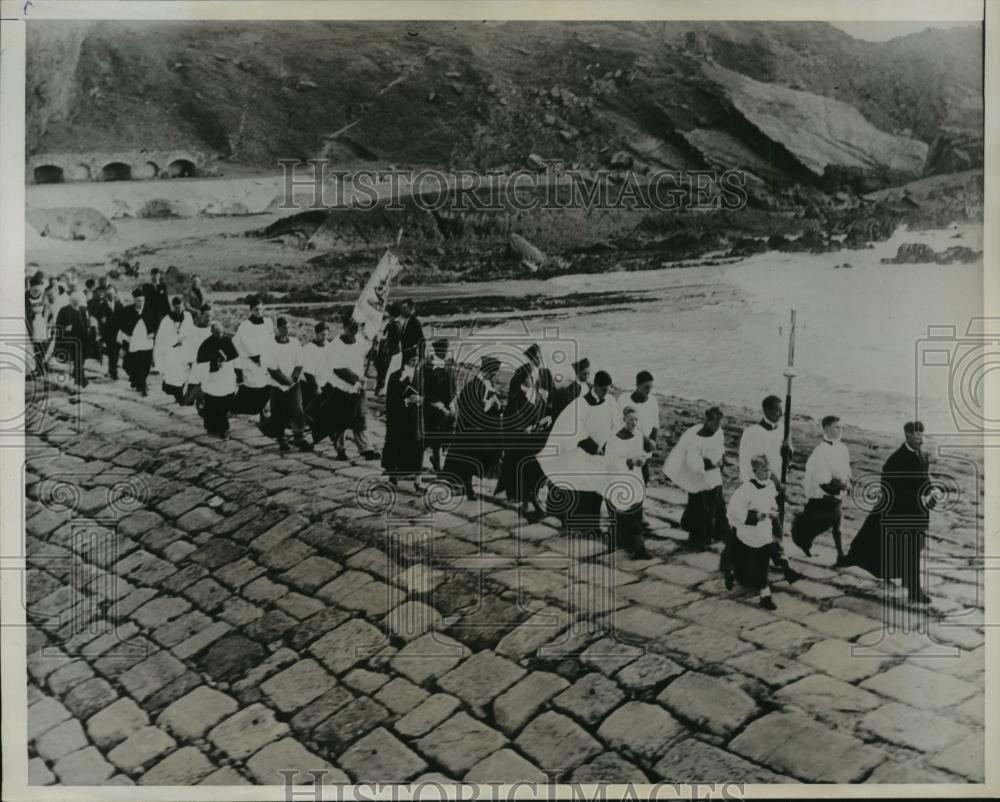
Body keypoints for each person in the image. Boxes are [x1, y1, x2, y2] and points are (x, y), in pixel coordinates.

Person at [840, 421, 939, 604]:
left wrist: (932, 491)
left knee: (913, 550)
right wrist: (920, 499)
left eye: (922, 435)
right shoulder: (895, 461)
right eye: (917, 435)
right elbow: (892, 491)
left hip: (918, 514)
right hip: (899, 514)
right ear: (907, 435)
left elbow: (924, 480)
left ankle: (912, 589)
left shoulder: (923, 456)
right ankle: (914, 592)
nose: (921, 438)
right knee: (908, 551)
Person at [540, 369, 619, 535]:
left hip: (601, 452)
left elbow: (615, 424)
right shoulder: (580, 405)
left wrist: (608, 446)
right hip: (583, 451)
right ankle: (572, 525)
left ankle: (593, 526)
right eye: (604, 389)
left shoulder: (610, 401)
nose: (606, 393)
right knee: (579, 488)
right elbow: (575, 429)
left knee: (596, 488)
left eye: (608, 389)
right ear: (595, 386)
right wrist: (593, 447)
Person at [738, 394, 801, 582]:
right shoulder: (753, 433)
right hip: (762, 486)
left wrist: (787, 451)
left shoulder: (783, 428)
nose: (781, 413)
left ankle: (778, 559)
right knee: (765, 524)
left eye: (782, 409)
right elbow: (757, 463)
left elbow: (788, 456)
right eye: (776, 410)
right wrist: (775, 483)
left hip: (778, 485)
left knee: (776, 522)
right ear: (766, 410)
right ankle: (781, 563)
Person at [664, 406, 728, 550]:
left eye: (720, 422)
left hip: (714, 475)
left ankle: (720, 532)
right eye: (716, 422)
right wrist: (710, 463)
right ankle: (699, 538)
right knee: (701, 506)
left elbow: (721, 448)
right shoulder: (695, 437)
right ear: (708, 420)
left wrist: (722, 460)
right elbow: (692, 461)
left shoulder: (718, 432)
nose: (718, 426)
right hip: (699, 476)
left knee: (718, 504)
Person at [498, 352, 552, 521]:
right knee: (525, 471)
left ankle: (530, 504)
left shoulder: (535, 394)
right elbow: (512, 418)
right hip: (519, 441)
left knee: (533, 471)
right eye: (530, 377)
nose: (533, 380)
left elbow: (544, 410)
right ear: (524, 380)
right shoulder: (518, 397)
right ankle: (529, 505)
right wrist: (526, 428)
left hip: (533, 439)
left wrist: (547, 418)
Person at [726, 454, 784, 609]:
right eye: (764, 470)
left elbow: (773, 508)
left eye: (769, 469)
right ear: (755, 471)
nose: (768, 473)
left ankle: (765, 596)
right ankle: (731, 573)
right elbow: (734, 510)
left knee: (762, 564)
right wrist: (755, 516)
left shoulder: (771, 486)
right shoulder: (746, 489)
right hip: (747, 534)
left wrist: (777, 529)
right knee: (743, 561)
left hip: (764, 534)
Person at [442, 356, 505, 500]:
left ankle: (468, 487)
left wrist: (498, 407)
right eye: (494, 372)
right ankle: (467, 488)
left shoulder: (485, 384)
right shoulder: (474, 386)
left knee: (472, 460)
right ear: (488, 372)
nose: (495, 375)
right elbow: (473, 409)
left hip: (477, 430)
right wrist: (489, 408)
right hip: (472, 431)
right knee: (470, 459)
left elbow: (490, 405)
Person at [792, 415, 853, 563]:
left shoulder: (842, 448)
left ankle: (840, 555)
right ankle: (807, 543)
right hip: (823, 495)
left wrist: (848, 482)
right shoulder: (820, 451)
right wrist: (838, 486)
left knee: (837, 523)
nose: (840, 430)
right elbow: (822, 477)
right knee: (818, 524)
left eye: (841, 427)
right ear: (826, 429)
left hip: (837, 492)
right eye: (836, 427)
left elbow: (846, 468)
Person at [326, 315, 379, 460]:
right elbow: (338, 368)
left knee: (360, 418)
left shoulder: (360, 340)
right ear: (344, 327)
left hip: (358, 387)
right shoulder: (336, 344)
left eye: (357, 327)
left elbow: (368, 353)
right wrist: (356, 378)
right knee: (340, 420)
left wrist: (375, 344)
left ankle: (366, 449)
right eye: (352, 327)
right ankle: (340, 449)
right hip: (342, 387)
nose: (355, 330)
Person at [605, 405, 652, 559]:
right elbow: (611, 460)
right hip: (621, 478)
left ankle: (629, 544)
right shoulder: (615, 438)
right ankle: (636, 547)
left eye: (636, 420)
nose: (633, 423)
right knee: (625, 513)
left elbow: (642, 451)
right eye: (631, 419)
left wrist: (642, 458)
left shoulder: (638, 435)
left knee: (635, 511)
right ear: (624, 419)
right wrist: (630, 461)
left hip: (635, 477)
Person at [262, 316, 312, 452]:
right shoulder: (270, 345)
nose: (287, 330)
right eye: (284, 327)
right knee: (278, 412)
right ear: (277, 329)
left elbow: (299, 362)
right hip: (277, 384)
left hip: (293, 384)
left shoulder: (295, 343)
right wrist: (284, 381)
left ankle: (299, 437)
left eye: (289, 327)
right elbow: (271, 367)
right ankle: (281, 440)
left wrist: (293, 379)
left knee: (297, 409)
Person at [382, 347, 426, 489]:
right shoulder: (395, 377)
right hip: (399, 419)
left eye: (417, 360)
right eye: (413, 360)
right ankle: (393, 477)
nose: (415, 362)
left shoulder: (419, 375)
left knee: (418, 447)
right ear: (406, 360)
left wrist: (419, 399)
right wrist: (407, 401)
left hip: (415, 418)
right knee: (396, 446)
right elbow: (391, 399)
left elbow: (424, 393)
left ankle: (418, 481)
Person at [232, 295, 274, 422]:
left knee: (268, 386)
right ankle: (236, 408)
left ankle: (264, 414)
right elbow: (243, 343)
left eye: (261, 309)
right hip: (252, 361)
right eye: (256, 309)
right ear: (250, 310)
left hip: (265, 360)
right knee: (254, 388)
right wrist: (256, 357)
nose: (259, 312)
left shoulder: (268, 322)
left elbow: (271, 340)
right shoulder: (245, 326)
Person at [194, 321, 239, 438]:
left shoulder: (227, 341)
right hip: (212, 379)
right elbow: (201, 363)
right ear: (212, 332)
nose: (219, 335)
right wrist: (213, 365)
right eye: (217, 333)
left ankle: (224, 428)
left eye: (221, 332)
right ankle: (212, 426)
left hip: (226, 377)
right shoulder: (206, 344)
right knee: (212, 403)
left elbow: (234, 358)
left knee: (224, 403)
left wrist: (238, 374)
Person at [422, 338, 456, 472]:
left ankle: (436, 460)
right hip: (433, 407)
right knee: (435, 439)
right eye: (444, 350)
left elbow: (453, 386)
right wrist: (440, 407)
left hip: (447, 405)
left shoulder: (448, 364)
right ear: (437, 350)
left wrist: (452, 404)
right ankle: (437, 466)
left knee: (447, 436)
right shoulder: (428, 367)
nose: (446, 353)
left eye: (447, 350)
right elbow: (427, 391)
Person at [118, 288, 158, 396]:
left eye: (142, 301)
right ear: (134, 301)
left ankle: (142, 384)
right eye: (138, 301)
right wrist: (124, 345)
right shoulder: (128, 311)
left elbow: (154, 323)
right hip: (134, 342)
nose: (141, 303)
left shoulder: (149, 310)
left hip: (146, 342)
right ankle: (138, 382)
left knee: (146, 364)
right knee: (130, 364)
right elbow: (125, 328)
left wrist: (153, 332)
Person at [154, 297, 192, 404]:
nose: (179, 310)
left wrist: (184, 340)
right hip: (172, 352)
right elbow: (162, 337)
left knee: (184, 375)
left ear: (183, 306)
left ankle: (180, 395)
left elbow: (191, 332)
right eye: (176, 308)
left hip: (184, 350)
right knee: (175, 376)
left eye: (180, 307)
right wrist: (175, 341)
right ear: (173, 307)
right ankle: (178, 396)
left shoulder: (188, 317)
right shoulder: (166, 320)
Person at [628, 370, 660, 484]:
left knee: (644, 478)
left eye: (651, 387)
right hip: (630, 446)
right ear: (638, 385)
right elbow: (626, 427)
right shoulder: (625, 400)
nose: (649, 391)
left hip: (646, 450)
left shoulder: (653, 401)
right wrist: (646, 442)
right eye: (646, 387)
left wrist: (652, 443)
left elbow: (656, 425)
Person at [54, 292, 89, 395]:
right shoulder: (64, 310)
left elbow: (86, 323)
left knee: (81, 360)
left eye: (78, 301)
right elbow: (58, 326)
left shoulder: (82, 310)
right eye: (75, 301)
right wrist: (65, 328)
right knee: (78, 360)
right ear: (71, 301)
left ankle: (80, 378)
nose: (77, 303)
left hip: (82, 339)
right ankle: (79, 383)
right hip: (71, 340)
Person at [508, 343, 554, 420]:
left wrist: (549, 409)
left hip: (543, 411)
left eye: (541, 357)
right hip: (525, 411)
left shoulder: (546, 373)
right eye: (537, 358)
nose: (540, 360)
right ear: (530, 359)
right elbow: (513, 394)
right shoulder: (520, 372)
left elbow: (552, 392)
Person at [95, 286, 124, 380]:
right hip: (108, 333)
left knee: (116, 351)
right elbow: (101, 319)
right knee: (112, 353)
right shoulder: (101, 306)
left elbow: (123, 318)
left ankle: (111, 370)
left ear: (115, 293)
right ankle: (114, 373)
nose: (110, 296)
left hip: (118, 332)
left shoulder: (120, 304)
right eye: (108, 294)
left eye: (111, 294)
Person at [373, 302, 402, 397]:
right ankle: (381, 390)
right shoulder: (396, 324)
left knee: (383, 372)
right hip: (393, 352)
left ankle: (381, 390)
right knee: (384, 372)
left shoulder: (394, 325)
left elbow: (390, 339)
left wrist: (381, 340)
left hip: (389, 353)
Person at [301, 321, 330, 410]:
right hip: (309, 385)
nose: (325, 337)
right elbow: (308, 372)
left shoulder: (330, 347)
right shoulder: (308, 348)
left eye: (326, 335)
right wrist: (316, 388)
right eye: (322, 335)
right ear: (316, 334)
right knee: (308, 409)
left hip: (324, 384)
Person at [25, 274, 49, 377]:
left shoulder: (42, 294)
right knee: (36, 345)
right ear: (33, 285)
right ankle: (39, 368)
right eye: (39, 284)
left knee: (42, 345)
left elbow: (47, 307)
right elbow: (26, 309)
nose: (39, 287)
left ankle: (41, 367)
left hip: (41, 321)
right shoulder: (27, 295)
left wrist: (46, 319)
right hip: (32, 321)